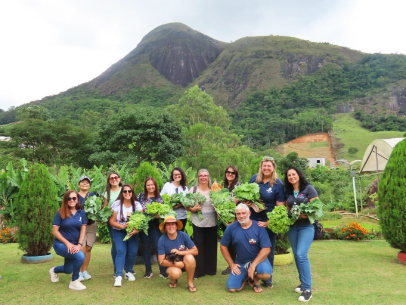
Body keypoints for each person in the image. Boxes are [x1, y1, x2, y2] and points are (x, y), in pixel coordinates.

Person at [247, 156, 285, 287]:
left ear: (273, 167)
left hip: (269, 223)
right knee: (251, 247)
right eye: (264, 166)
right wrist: (247, 202)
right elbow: (246, 196)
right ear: (261, 167)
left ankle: (267, 278)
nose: (266, 168)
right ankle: (250, 276)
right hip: (252, 220)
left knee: (268, 248)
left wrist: (269, 222)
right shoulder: (254, 179)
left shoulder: (278, 184)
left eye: (269, 166)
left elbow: (280, 208)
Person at [220, 203, 272, 293]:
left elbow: (267, 248)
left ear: (249, 213)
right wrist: (231, 264)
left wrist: (253, 266)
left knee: (266, 274)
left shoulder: (259, 227)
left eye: (243, 213)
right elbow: (223, 246)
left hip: (259, 261)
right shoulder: (231, 228)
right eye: (238, 214)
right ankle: (246, 277)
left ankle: (255, 280)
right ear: (236, 215)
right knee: (232, 288)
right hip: (241, 263)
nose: (241, 216)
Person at [284, 166, 318, 302]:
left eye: (294, 174)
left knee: (301, 255)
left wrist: (302, 214)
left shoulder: (308, 188)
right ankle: (303, 283)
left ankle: (308, 290)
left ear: (298, 174)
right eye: (289, 175)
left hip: (306, 227)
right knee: (296, 256)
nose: (292, 177)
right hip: (293, 228)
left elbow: (316, 207)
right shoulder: (288, 191)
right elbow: (287, 207)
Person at [49, 190, 87, 290]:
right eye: (69, 198)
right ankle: (74, 281)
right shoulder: (60, 212)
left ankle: (54, 270)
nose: (71, 200)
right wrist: (68, 244)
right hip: (61, 244)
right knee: (80, 256)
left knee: (68, 269)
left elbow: (83, 229)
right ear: (65, 200)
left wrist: (79, 244)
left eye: (74, 198)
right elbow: (55, 231)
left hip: (75, 244)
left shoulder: (81, 212)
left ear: (77, 199)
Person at [109, 184, 143, 287]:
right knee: (121, 251)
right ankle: (118, 275)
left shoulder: (137, 205)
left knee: (132, 252)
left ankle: (128, 271)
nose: (127, 193)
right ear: (122, 193)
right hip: (119, 230)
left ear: (132, 193)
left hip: (133, 231)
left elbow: (141, 221)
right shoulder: (117, 204)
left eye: (129, 191)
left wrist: (136, 230)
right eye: (125, 191)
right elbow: (112, 221)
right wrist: (122, 227)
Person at [188, 169, 217, 278]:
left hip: (211, 222)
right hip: (198, 222)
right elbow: (187, 205)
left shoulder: (213, 190)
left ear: (208, 177)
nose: (203, 177)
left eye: (205, 175)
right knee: (198, 245)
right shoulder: (193, 190)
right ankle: (199, 270)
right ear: (198, 177)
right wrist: (192, 208)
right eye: (201, 176)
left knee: (211, 246)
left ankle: (210, 269)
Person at [157, 215, 198, 292]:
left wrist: (180, 252)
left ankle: (190, 282)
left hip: (184, 261)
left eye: (172, 224)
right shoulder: (162, 240)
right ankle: (173, 280)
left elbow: (195, 251)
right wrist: (177, 264)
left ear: (176, 226)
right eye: (168, 225)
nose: (170, 226)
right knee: (175, 273)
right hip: (170, 264)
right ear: (165, 228)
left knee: (190, 257)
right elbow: (161, 261)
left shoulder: (183, 235)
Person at [137, 177, 167, 279]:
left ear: (155, 186)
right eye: (148, 185)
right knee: (145, 247)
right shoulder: (141, 196)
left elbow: (162, 214)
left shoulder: (159, 198)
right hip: (143, 225)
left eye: (152, 184)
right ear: (145, 186)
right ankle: (148, 270)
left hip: (154, 225)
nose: (150, 187)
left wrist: (158, 216)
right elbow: (136, 208)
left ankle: (162, 270)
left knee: (158, 246)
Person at [102, 172, 123, 275]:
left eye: (116, 177)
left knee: (126, 244)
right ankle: (116, 267)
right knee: (115, 244)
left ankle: (128, 268)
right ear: (109, 181)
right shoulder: (107, 193)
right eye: (111, 178)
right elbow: (104, 208)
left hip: (126, 221)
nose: (114, 179)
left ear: (119, 179)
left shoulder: (125, 190)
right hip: (113, 222)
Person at [221, 166, 240, 275]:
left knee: (235, 243)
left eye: (233, 173)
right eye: (228, 172)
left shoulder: (238, 186)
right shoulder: (223, 186)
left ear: (236, 175)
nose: (230, 174)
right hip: (225, 219)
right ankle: (231, 264)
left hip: (235, 219)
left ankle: (234, 265)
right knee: (228, 243)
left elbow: (233, 202)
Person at [77, 175, 96, 281]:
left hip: (92, 225)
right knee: (82, 248)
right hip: (80, 226)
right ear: (79, 184)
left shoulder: (92, 195)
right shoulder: (75, 196)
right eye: (83, 182)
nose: (85, 184)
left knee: (88, 248)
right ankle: (79, 272)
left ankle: (84, 271)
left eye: (87, 182)